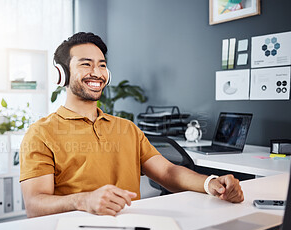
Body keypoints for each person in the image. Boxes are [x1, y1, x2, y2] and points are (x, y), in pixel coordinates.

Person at [20, 32, 244, 218]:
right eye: (86, 64)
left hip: (134, 228)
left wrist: (211, 183)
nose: (96, 73)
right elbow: (35, 205)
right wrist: (83, 200)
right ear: (62, 74)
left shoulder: (127, 128)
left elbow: (167, 172)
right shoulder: (41, 133)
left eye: (102, 65)